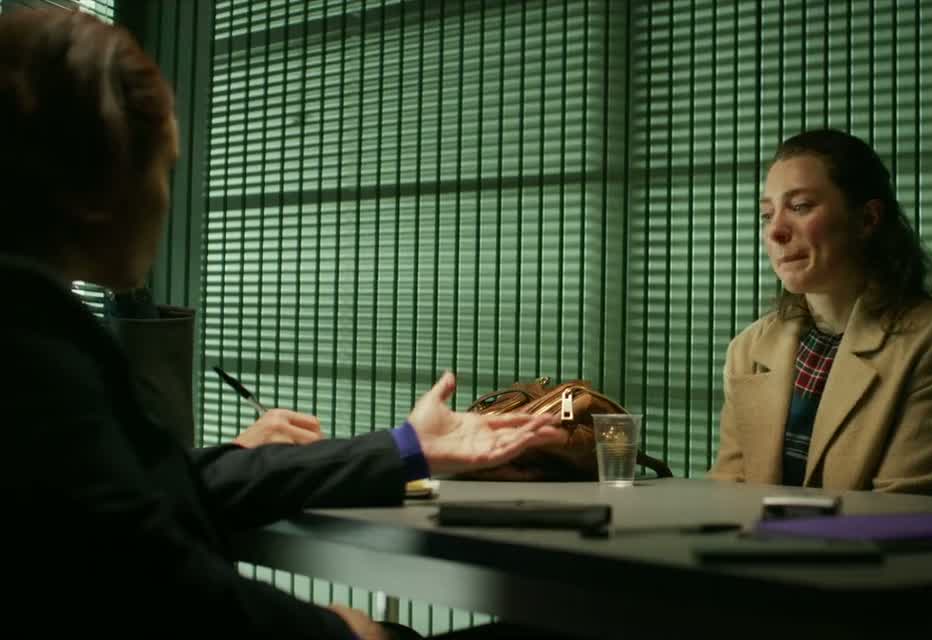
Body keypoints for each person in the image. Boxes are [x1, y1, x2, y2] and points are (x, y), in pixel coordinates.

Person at [0, 8, 565, 638]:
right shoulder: (31, 356)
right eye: (164, 167)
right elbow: (156, 591)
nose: (164, 197)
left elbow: (152, 497)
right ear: (98, 178)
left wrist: (408, 447)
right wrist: (348, 632)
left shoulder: (37, 327)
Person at [708, 129, 932, 495]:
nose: (775, 232)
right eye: (767, 214)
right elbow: (728, 491)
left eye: (800, 207)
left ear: (867, 219)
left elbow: (904, 508)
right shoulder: (748, 349)